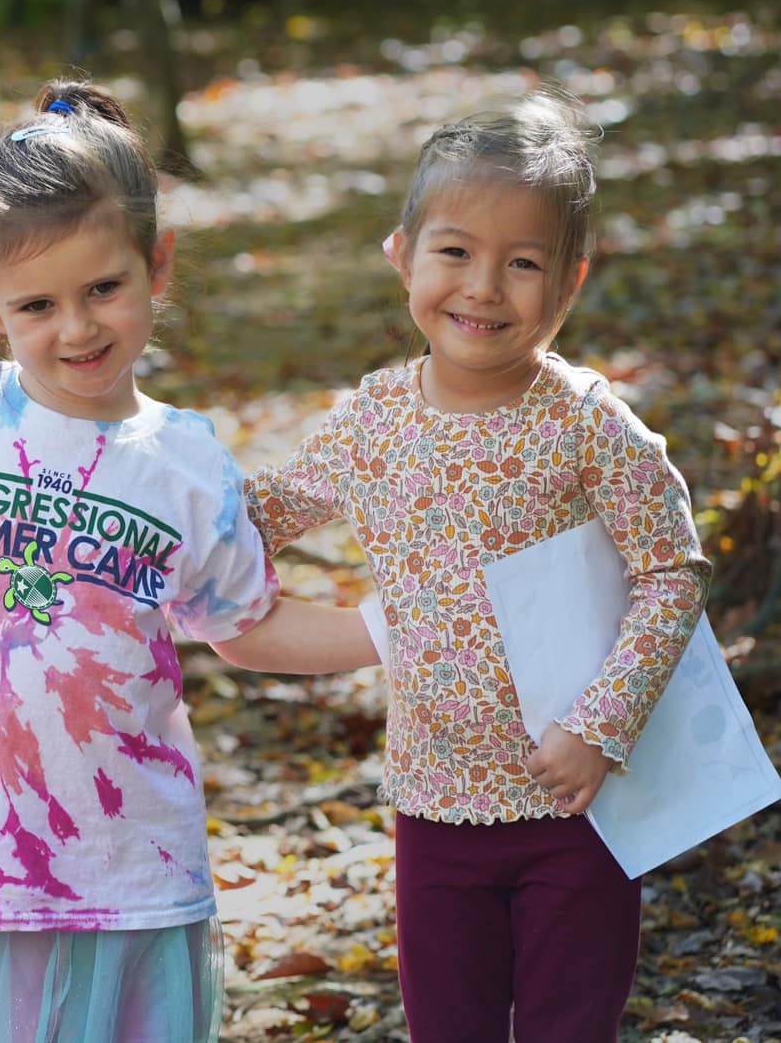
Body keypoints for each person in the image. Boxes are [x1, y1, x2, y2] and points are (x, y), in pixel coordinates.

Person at [0, 82, 374, 1043]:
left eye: (104, 288)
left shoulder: (184, 462)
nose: (77, 328)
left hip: (119, 860)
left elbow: (248, 626)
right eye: (36, 303)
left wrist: (389, 628)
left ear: (157, 265)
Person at [246, 92, 709, 1042]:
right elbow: (258, 520)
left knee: (566, 1028)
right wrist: (148, 508)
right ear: (402, 254)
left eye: (524, 263)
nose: (485, 287)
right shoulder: (373, 421)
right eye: (455, 251)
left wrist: (601, 725)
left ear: (569, 284)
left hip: (577, 805)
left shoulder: (586, 422)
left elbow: (672, 572)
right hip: (433, 806)